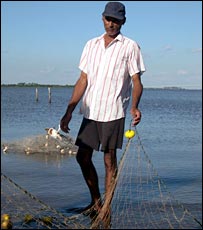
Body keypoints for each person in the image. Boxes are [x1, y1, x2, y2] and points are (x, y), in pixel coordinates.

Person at [60, 1, 145, 213]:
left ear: (123, 21)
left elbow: (136, 81)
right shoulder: (91, 45)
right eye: (109, 19)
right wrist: (69, 111)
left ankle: (106, 208)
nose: (111, 24)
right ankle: (96, 201)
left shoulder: (130, 46)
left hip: (114, 112)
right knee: (82, 157)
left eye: (116, 20)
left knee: (109, 161)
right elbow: (82, 79)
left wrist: (134, 106)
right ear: (102, 18)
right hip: (90, 112)